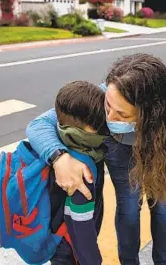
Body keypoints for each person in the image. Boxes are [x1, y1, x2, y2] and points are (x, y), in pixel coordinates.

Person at [26, 53, 166, 265]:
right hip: (121, 149)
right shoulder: (108, 92)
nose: (109, 118)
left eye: (122, 115)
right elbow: (38, 125)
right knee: (129, 206)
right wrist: (59, 158)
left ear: (151, 114)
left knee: (163, 205)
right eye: (108, 107)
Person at [49, 81, 108, 265]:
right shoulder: (81, 172)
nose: (102, 128)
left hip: (57, 239)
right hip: (69, 249)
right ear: (76, 131)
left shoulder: (62, 145)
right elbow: (80, 230)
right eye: (96, 125)